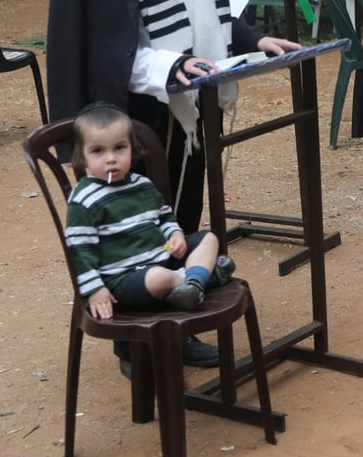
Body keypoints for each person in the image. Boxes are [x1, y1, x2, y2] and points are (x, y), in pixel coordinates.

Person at [47, 0, 300, 369]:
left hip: (190, 99)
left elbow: (203, 10)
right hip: (132, 111)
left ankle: (178, 325)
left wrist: (247, 39)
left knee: (180, 220)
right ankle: (139, 346)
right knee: (131, 233)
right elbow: (107, 42)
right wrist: (167, 66)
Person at [66, 103, 236, 322]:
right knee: (159, 278)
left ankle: (192, 286)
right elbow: (79, 250)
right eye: (98, 151)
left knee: (210, 238)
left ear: (132, 149)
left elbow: (164, 216)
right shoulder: (84, 199)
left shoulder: (142, 184)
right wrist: (94, 289)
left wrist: (174, 235)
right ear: (82, 157)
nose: (111, 158)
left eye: (119, 148)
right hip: (122, 277)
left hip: (160, 254)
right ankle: (202, 278)